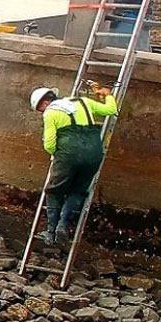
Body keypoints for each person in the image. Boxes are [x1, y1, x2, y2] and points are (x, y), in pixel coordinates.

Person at [31, 82, 119, 245]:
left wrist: (56, 155)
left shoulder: (50, 113)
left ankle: (50, 233)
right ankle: (63, 226)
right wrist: (107, 94)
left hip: (68, 155)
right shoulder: (83, 102)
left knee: (55, 191)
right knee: (78, 190)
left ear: (44, 103)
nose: (41, 112)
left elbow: (49, 144)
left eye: (40, 109)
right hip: (93, 154)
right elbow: (111, 110)